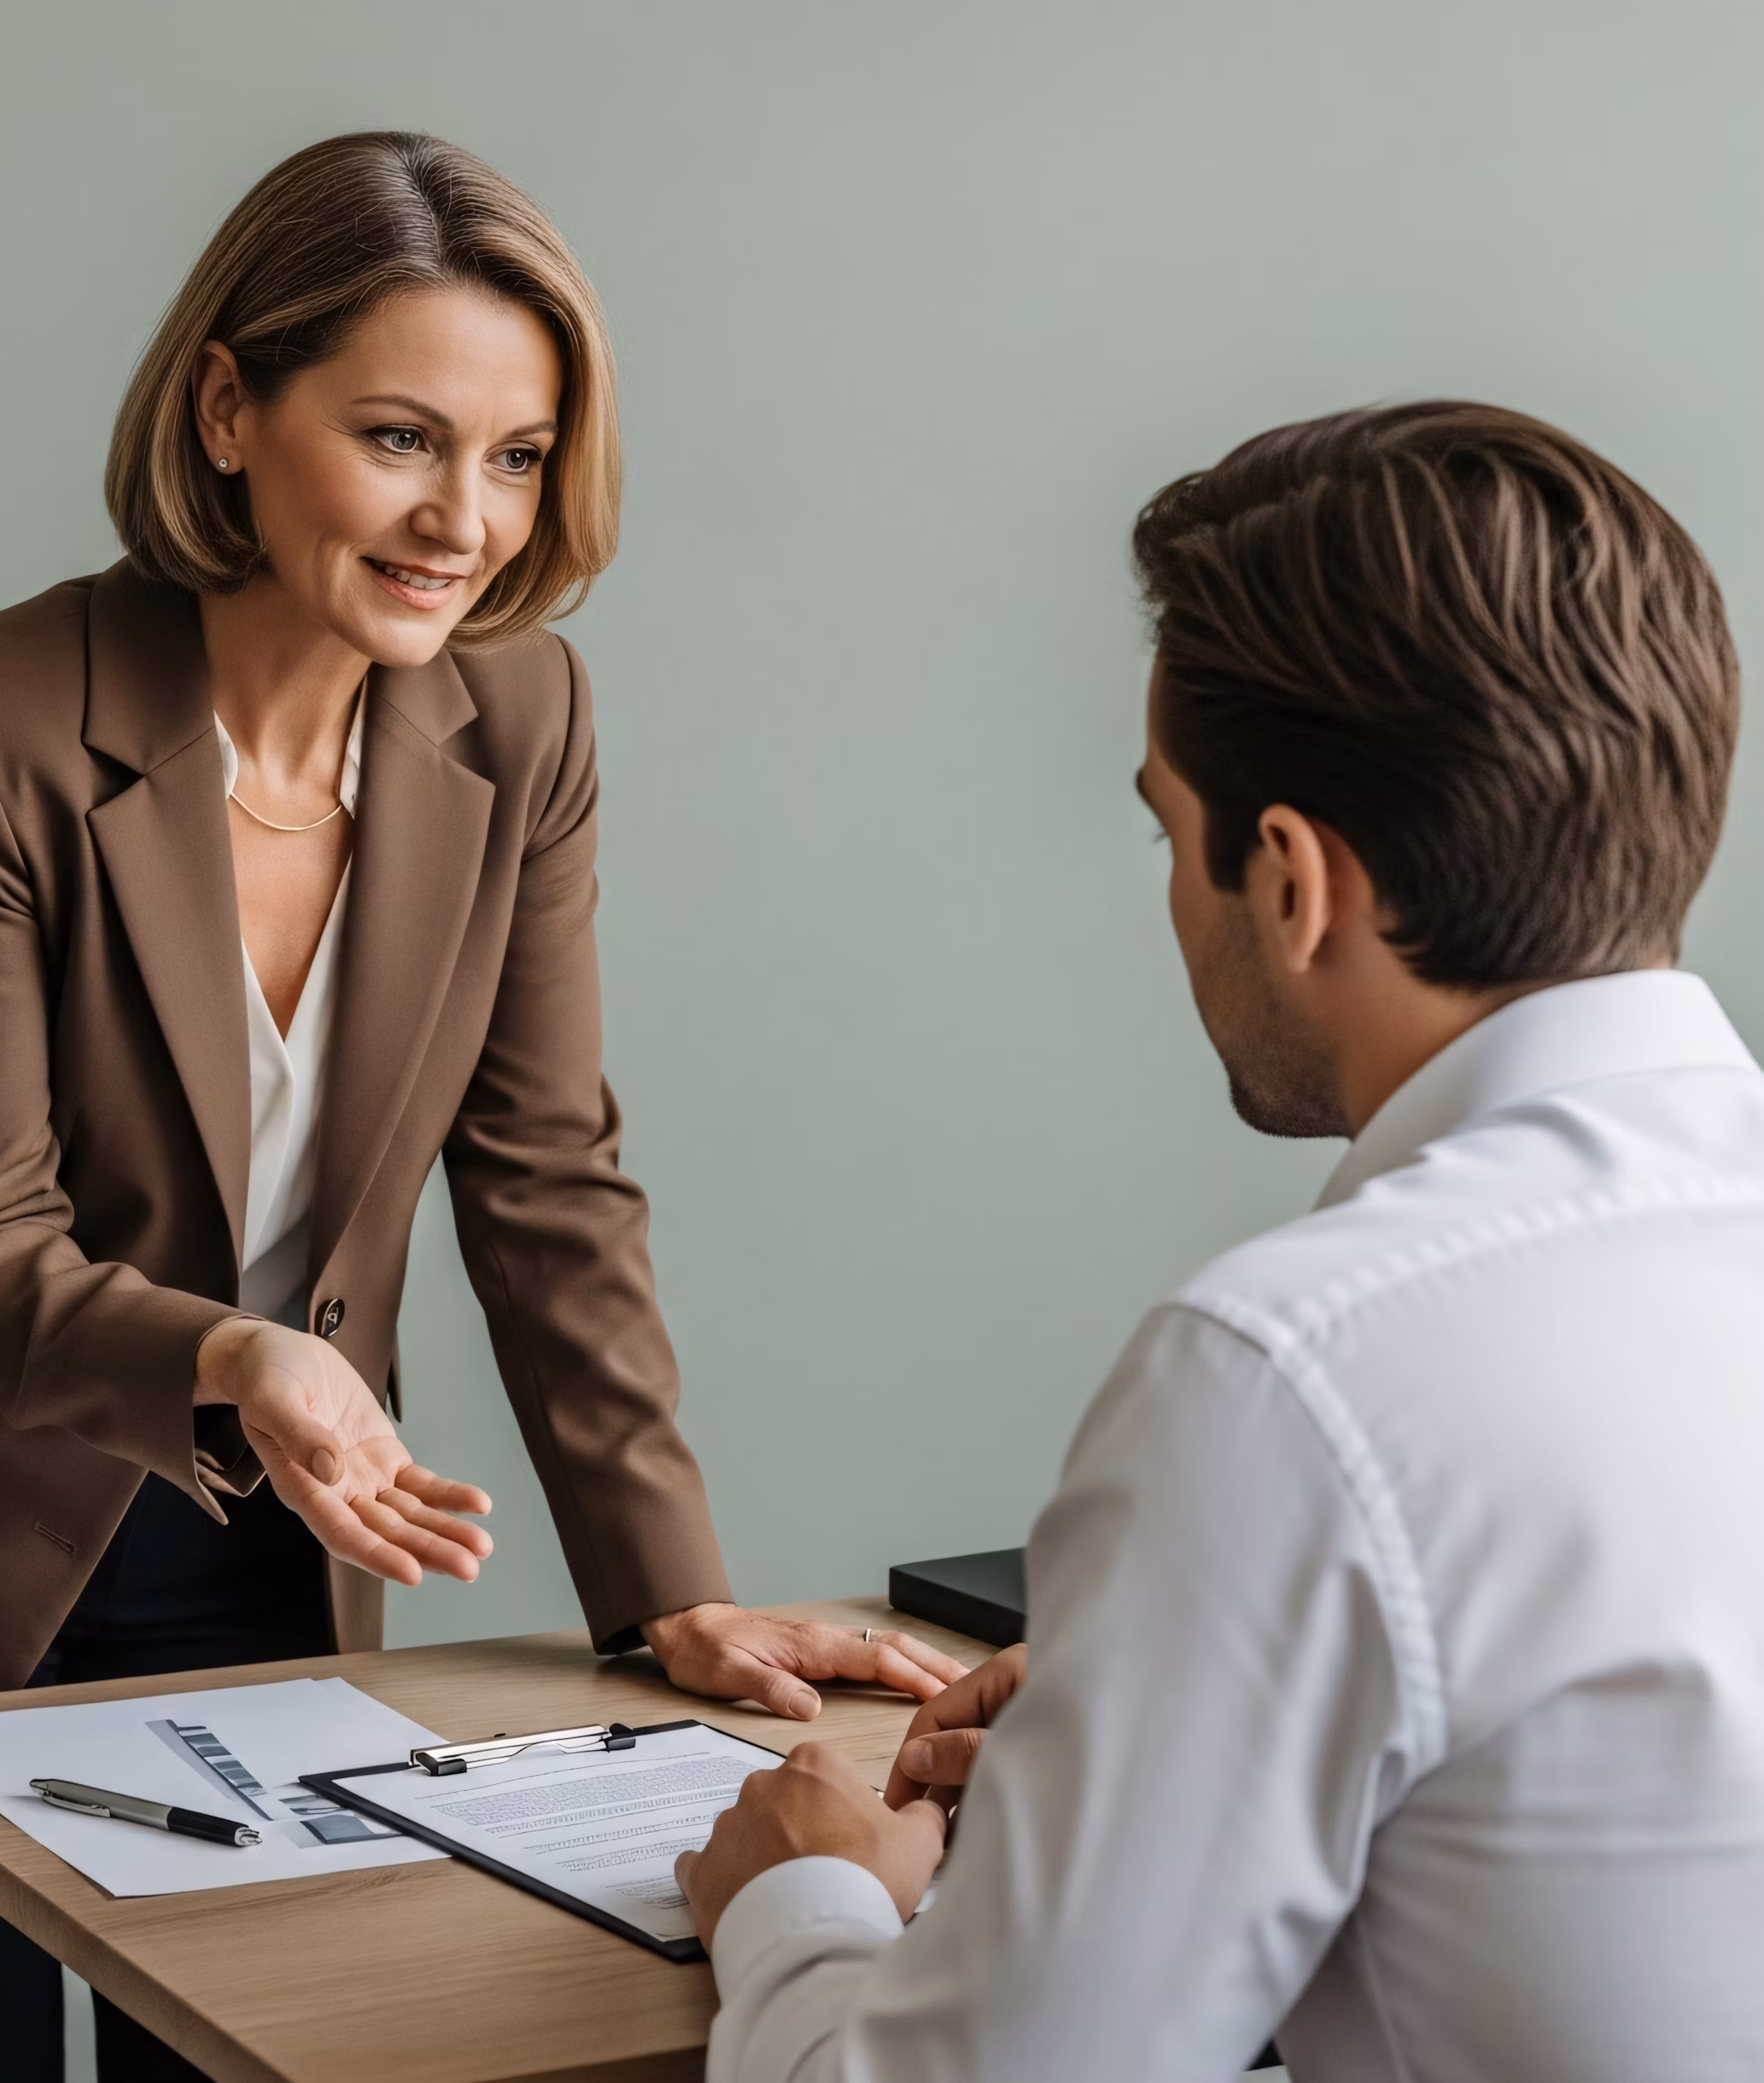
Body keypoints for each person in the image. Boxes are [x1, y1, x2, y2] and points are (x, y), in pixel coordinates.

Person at [0, 131, 960, 2083]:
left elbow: (546, 1184)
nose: (466, 517)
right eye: (399, 437)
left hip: (262, 1528)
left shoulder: (520, 722)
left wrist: (673, 1602)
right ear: (225, 409)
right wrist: (235, 1350)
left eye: (517, 455)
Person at [678, 402, 1764, 2080]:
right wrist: (1163, 1700)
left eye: (1159, 828)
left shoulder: (1298, 1371)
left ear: (1288, 879)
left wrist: (799, 1899)